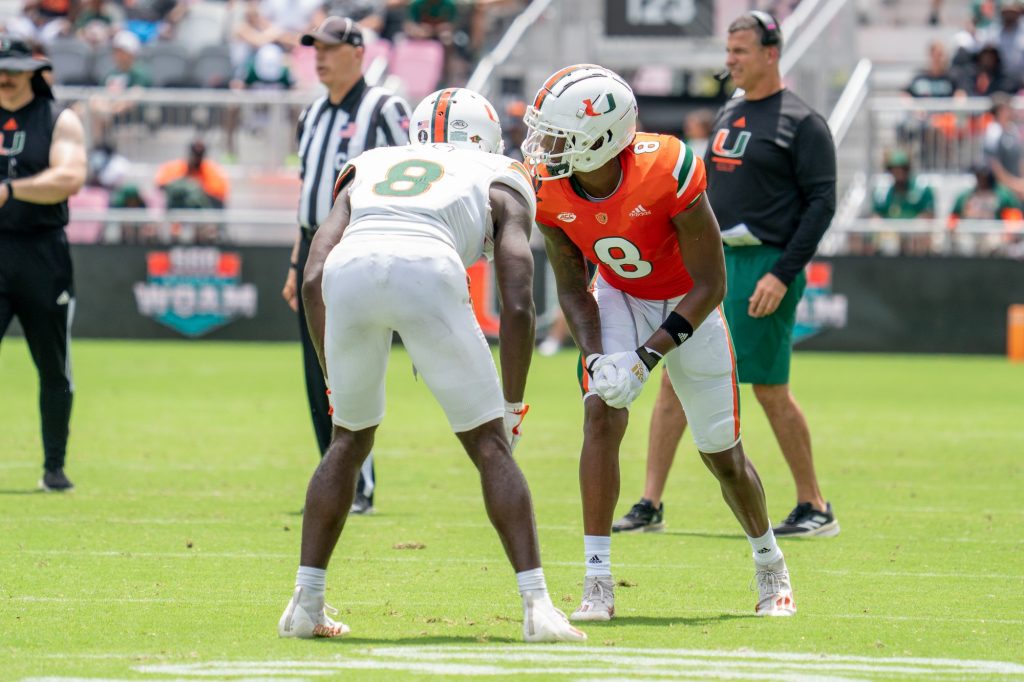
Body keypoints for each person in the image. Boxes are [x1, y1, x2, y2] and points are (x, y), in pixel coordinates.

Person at [277, 87, 586, 643]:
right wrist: (512, 404)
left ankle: (306, 603)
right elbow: (518, 300)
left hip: (349, 268)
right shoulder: (502, 172)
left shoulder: (369, 162)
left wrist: (331, 375)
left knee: (347, 440)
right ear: (484, 136)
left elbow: (313, 275)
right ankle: (538, 607)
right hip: (430, 264)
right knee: (489, 445)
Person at [522, 63, 797, 620]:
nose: (542, 144)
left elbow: (711, 284)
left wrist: (649, 358)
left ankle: (770, 563)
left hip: (686, 305)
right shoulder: (546, 188)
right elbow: (573, 290)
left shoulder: (665, 167)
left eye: (556, 133)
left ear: (598, 137)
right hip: (618, 294)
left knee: (723, 453)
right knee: (602, 413)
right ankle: (597, 579)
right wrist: (598, 356)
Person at [614, 12, 840, 540]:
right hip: (715, 266)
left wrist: (783, 274)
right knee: (672, 378)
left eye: (739, 51)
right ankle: (649, 502)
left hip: (764, 265)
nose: (730, 60)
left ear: (770, 52)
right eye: (728, 50)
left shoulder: (803, 123)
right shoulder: (731, 112)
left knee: (768, 389)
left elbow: (822, 204)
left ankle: (815, 504)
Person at [281, 16, 411, 515]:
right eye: (315, 47)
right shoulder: (312, 114)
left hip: (358, 244)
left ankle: (360, 483)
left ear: (358, 53)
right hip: (314, 248)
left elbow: (410, 173)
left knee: (348, 366)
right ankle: (336, 477)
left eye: (331, 48)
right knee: (318, 371)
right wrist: (296, 264)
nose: (319, 55)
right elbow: (306, 194)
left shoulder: (385, 108)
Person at [0, 36, 87, 491]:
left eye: (14, 68)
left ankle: (54, 467)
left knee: (53, 367)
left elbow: (70, 177)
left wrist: (11, 189)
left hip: (42, 252)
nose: (6, 76)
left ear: (33, 72)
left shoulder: (59, 118)